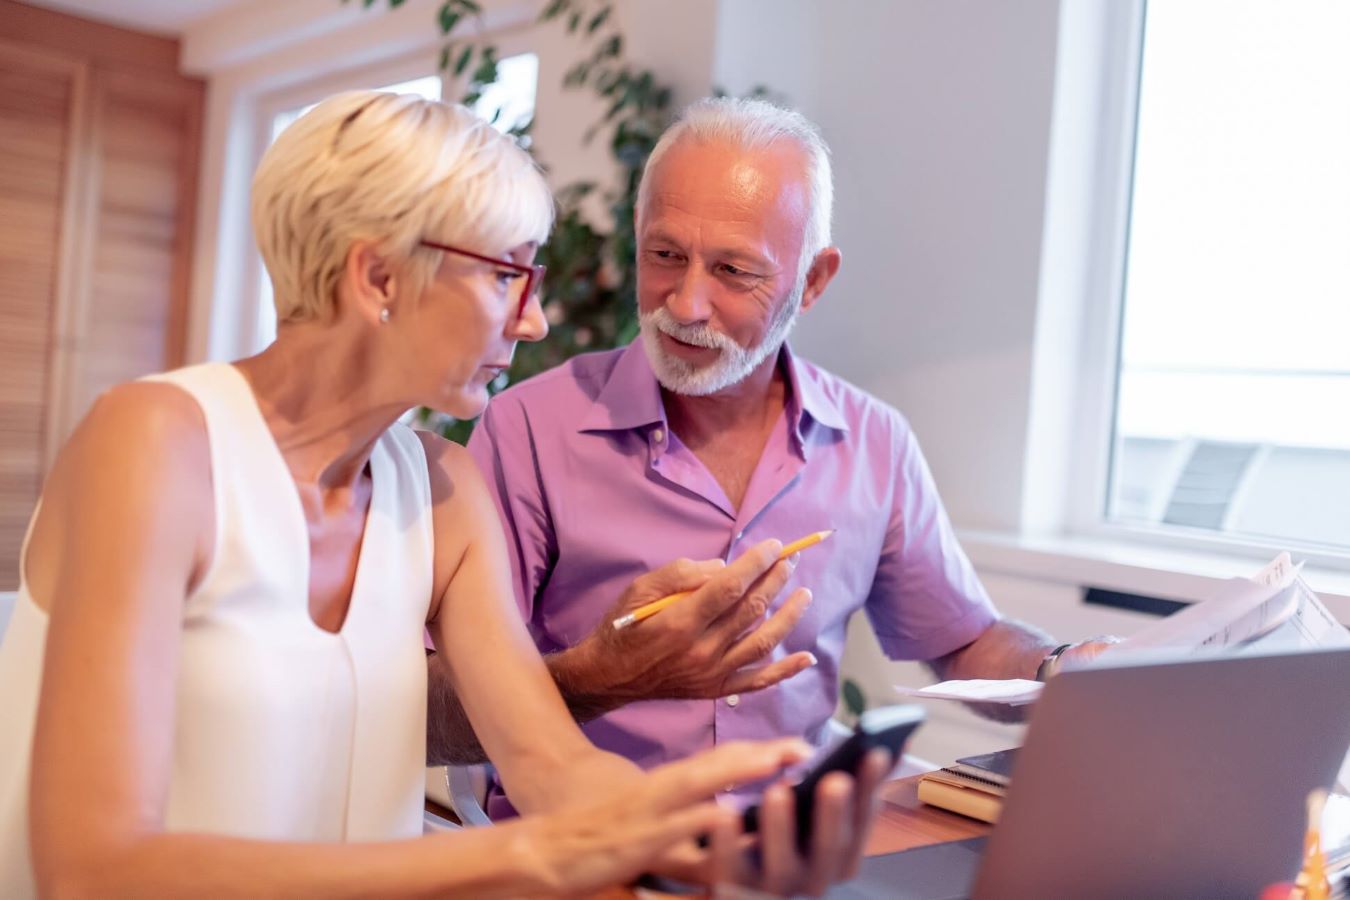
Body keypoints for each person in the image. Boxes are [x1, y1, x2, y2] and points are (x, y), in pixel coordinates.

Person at [0, 91, 889, 899]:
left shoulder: (443, 485)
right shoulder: (156, 443)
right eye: (508, 275)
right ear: (379, 278)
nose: (534, 320)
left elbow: (552, 769)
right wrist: (532, 856)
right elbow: (92, 869)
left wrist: (713, 843)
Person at [457, 97, 1112, 813]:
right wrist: (605, 675)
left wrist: (1060, 669)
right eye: (665, 256)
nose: (686, 304)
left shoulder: (873, 442)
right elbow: (450, 702)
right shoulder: (527, 430)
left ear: (814, 281)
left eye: (735, 271)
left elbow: (966, 641)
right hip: (580, 852)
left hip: (794, 853)